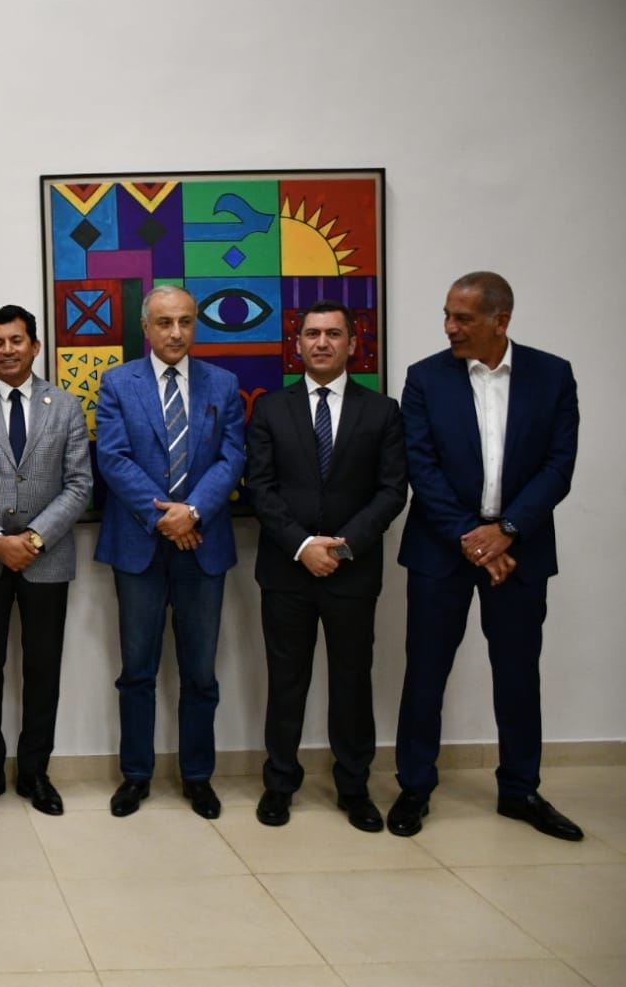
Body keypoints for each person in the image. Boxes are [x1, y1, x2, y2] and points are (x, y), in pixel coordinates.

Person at [388, 271, 582, 841]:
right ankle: (414, 786)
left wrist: (509, 531)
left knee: (518, 673)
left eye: (463, 318)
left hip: (520, 553)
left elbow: (558, 467)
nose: (450, 327)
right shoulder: (425, 378)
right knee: (426, 672)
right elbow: (421, 468)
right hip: (441, 549)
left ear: (502, 320)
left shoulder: (552, 375)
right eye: (447, 315)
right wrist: (474, 537)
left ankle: (520, 790)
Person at [244, 300, 406, 831]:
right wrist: (303, 545)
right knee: (285, 681)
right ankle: (279, 784)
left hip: (352, 572)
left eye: (333, 334)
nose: (321, 343)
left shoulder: (382, 411)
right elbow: (260, 488)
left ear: (352, 344)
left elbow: (392, 491)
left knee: (352, 681)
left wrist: (342, 546)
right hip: (286, 571)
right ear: (298, 344)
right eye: (312, 333)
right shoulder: (270, 409)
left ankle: (354, 787)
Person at [94, 285, 245, 819]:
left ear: (195, 324)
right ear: (146, 327)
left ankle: (197, 776)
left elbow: (232, 457)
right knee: (137, 670)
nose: (176, 332)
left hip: (202, 545)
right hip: (138, 546)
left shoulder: (223, 384)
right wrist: (166, 518)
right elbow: (113, 459)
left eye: (184, 321)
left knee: (200, 672)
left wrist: (192, 512)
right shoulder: (118, 383)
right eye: (164, 322)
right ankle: (136, 775)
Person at [0, 304, 92, 815]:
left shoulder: (65, 406)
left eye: (16, 340)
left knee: (43, 669)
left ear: (35, 346)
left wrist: (34, 538)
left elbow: (79, 484)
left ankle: (35, 773)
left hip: (47, 560)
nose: (7, 350)